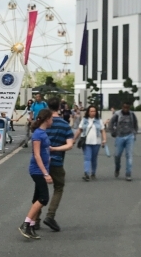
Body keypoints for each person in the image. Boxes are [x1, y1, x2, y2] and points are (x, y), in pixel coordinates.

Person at [19, 107, 55, 239]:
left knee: (37, 198)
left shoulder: (43, 133)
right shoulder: (38, 134)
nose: (52, 120)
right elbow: (37, 155)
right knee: (44, 198)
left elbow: (46, 149)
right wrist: (45, 173)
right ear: (46, 119)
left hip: (41, 169)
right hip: (37, 170)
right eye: (51, 118)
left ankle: (32, 225)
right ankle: (26, 223)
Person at [40, 97, 75, 232]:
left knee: (40, 189)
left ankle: (34, 219)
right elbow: (69, 145)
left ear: (47, 106)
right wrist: (55, 149)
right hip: (56, 161)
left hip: (41, 161)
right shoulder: (64, 124)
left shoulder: (44, 123)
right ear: (60, 107)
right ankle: (50, 215)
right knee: (58, 187)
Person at [74, 105, 106, 181]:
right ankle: (86, 173)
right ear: (88, 112)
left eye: (94, 111)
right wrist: (74, 139)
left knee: (94, 159)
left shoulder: (99, 120)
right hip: (86, 142)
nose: (93, 113)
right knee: (87, 158)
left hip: (96, 142)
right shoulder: (84, 120)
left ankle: (93, 173)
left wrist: (104, 140)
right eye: (91, 111)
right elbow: (79, 130)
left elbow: (103, 131)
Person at [110, 102, 138, 181]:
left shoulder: (132, 114)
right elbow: (111, 123)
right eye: (124, 107)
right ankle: (117, 168)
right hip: (120, 136)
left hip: (130, 136)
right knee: (117, 155)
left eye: (127, 108)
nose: (126, 109)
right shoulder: (117, 114)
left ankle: (128, 173)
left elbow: (135, 124)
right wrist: (113, 132)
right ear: (122, 107)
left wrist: (134, 133)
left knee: (129, 155)